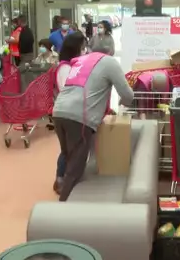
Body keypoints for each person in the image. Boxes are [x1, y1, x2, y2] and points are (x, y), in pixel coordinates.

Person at [52, 32, 134, 201]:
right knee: (76, 166)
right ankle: (63, 209)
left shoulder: (80, 61)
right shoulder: (110, 62)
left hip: (58, 111)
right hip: (79, 117)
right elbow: (127, 96)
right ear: (111, 52)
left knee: (69, 157)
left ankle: (69, 199)